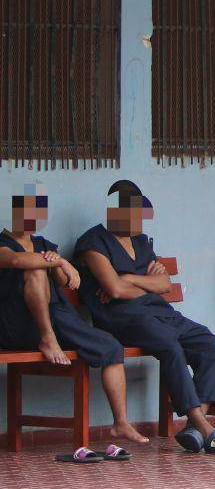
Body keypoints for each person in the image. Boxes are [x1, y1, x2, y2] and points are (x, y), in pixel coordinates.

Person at [74, 180, 215, 455]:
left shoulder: (141, 242)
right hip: (121, 318)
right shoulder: (93, 243)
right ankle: (207, 430)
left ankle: (193, 425)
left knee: (210, 344)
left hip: (159, 312)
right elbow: (114, 290)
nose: (141, 220)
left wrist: (129, 278)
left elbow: (163, 284)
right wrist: (140, 282)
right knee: (169, 346)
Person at [1, 186, 148, 447]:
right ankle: (47, 338)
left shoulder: (43, 245)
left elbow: (67, 283)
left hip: (59, 317)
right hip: (19, 325)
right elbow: (14, 261)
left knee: (111, 347)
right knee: (34, 272)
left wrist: (60, 266)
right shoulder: (3, 245)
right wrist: (59, 262)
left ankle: (121, 423)